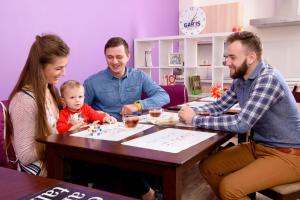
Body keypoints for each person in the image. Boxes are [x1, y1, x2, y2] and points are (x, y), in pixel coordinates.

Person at [179, 31, 300, 199]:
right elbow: (220, 105)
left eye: (232, 57)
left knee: (230, 188)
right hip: (259, 147)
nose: (227, 62)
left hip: (288, 155)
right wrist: (191, 111)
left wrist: (195, 119)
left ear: (251, 57)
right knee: (208, 167)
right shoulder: (240, 79)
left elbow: (242, 123)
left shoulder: (268, 79)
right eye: (226, 57)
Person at [5, 34, 70, 177]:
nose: (64, 73)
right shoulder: (24, 101)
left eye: (65, 67)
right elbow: (25, 156)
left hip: (57, 166)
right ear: (40, 67)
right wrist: (64, 136)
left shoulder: (50, 89)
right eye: (59, 68)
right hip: (39, 179)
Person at [83, 37, 170, 121]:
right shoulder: (91, 82)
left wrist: (138, 106)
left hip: (135, 127)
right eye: (110, 57)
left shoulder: (139, 76)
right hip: (106, 129)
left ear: (128, 56)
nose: (114, 62)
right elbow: (80, 110)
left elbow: (164, 97)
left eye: (119, 57)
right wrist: (96, 115)